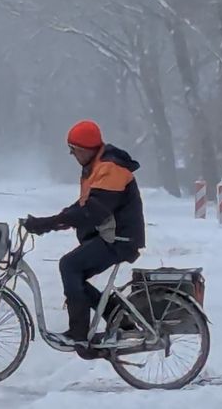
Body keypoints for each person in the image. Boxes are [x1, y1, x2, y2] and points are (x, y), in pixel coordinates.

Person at [23, 120, 146, 345]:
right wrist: (53, 221)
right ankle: (119, 318)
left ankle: (78, 334)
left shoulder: (110, 168)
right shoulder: (97, 166)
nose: (72, 154)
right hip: (113, 236)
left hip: (119, 239)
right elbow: (84, 205)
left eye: (74, 150)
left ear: (86, 149)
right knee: (75, 276)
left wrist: (50, 222)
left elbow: (93, 211)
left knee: (69, 265)